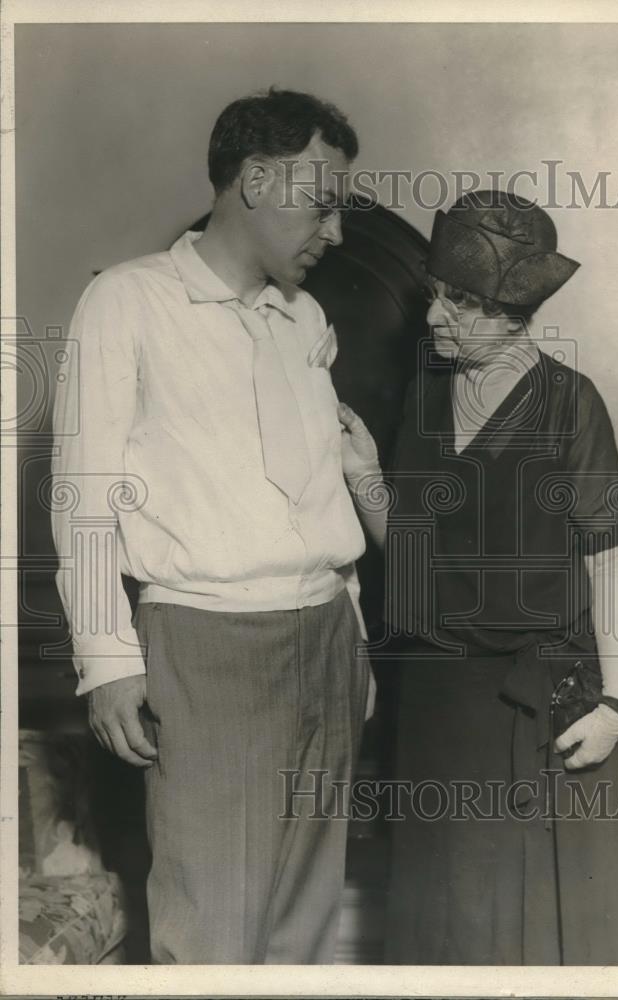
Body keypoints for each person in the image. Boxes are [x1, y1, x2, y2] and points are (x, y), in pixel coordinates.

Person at [51, 87, 375, 965]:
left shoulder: (304, 319)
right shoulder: (127, 302)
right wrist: (109, 659)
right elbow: (84, 494)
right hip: (207, 646)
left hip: (327, 642)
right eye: (324, 203)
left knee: (301, 925)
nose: (335, 233)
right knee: (214, 931)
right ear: (259, 180)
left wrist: (352, 635)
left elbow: (318, 496)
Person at [340, 189, 618, 965]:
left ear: (516, 312)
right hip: (440, 700)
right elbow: (408, 558)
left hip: (546, 704)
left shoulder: (571, 403)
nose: (437, 316)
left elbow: (607, 554)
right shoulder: (426, 393)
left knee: (541, 928)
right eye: (437, 295)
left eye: (462, 303)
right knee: (445, 921)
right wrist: (364, 476)